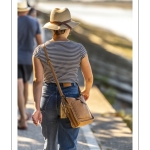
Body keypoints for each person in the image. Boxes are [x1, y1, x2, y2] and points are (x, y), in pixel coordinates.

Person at [32, 7, 93, 150]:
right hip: (71, 95)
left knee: (50, 143)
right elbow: (89, 77)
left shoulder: (40, 50)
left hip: (48, 97)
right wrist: (86, 91)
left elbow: (37, 81)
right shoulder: (79, 49)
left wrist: (36, 108)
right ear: (68, 28)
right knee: (69, 144)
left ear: (52, 28)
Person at [18, 0, 42, 129]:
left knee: (18, 86)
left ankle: (22, 117)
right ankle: (24, 113)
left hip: (14, 59)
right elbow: (40, 44)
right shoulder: (34, 22)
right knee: (25, 84)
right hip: (28, 58)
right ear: (26, 10)